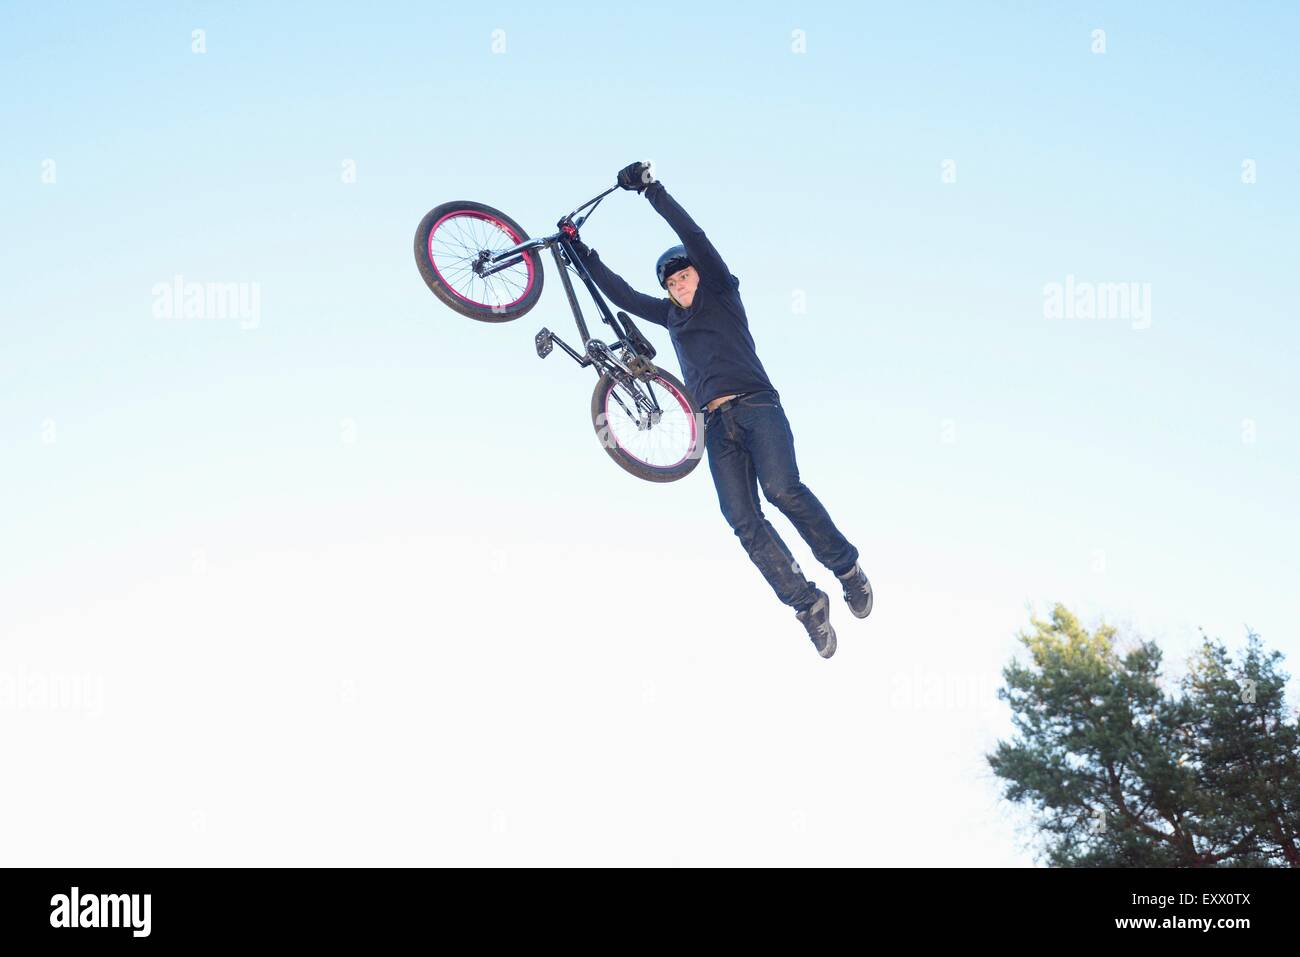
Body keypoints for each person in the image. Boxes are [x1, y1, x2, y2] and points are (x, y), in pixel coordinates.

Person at [569, 161, 872, 658]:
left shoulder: (723, 294)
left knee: (782, 490)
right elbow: (619, 291)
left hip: (757, 409)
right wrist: (580, 249)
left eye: (685, 274)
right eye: (672, 281)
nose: (680, 283)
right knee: (742, 520)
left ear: (698, 275)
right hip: (716, 427)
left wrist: (651, 190)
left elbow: (693, 233)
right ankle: (807, 604)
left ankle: (846, 569)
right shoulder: (670, 318)